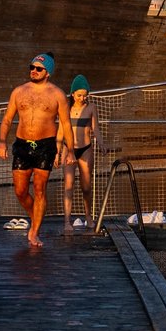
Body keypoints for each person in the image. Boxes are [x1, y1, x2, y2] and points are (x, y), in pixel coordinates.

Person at [0, 51, 73, 247]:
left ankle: (35, 232)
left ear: (48, 72)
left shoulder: (57, 95)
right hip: (22, 144)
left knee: (40, 189)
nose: (34, 71)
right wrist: (2, 141)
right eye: (32, 67)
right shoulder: (19, 91)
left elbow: (66, 123)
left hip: (45, 146)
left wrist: (69, 150)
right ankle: (35, 215)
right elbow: (7, 119)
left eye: (39, 69)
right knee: (20, 191)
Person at [63, 74, 100, 233]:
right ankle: (67, 221)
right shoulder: (66, 108)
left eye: (85, 95)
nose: (82, 98)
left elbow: (96, 128)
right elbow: (61, 131)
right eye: (79, 95)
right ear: (73, 94)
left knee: (86, 186)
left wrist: (102, 143)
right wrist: (57, 152)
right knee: (68, 185)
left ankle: (88, 216)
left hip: (85, 148)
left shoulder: (91, 108)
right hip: (69, 148)